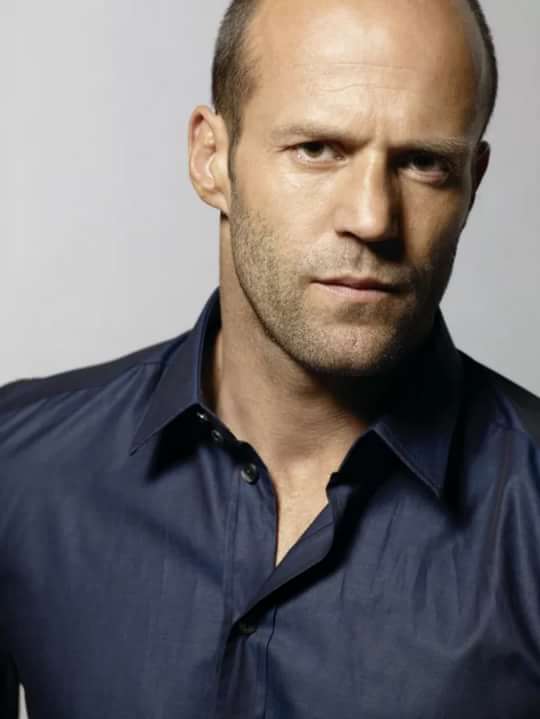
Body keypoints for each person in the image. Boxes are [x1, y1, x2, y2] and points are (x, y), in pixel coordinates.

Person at [1, 0, 539, 716]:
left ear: (473, 182)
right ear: (211, 160)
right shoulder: (20, 466)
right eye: (318, 149)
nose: (372, 218)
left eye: (423, 163)